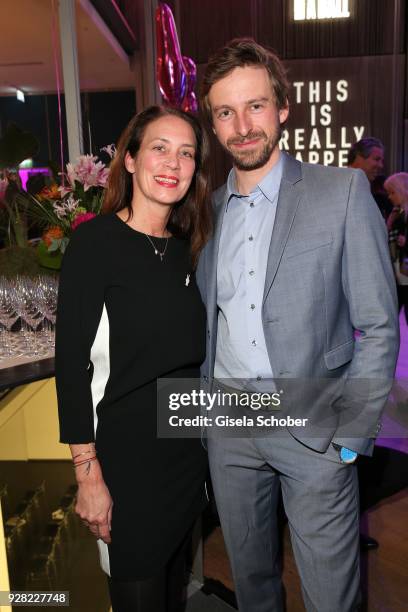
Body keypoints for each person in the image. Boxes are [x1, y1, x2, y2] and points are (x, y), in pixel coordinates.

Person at [197, 39, 399, 612]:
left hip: (315, 427)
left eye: (255, 106)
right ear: (213, 124)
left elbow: (379, 325)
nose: (242, 126)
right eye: (225, 112)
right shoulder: (207, 214)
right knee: (254, 588)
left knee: (332, 597)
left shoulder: (342, 192)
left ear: (283, 107)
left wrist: (352, 437)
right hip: (230, 428)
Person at [55, 105, 212, 612]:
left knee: (172, 596)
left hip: (187, 458)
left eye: (186, 153)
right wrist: (88, 475)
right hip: (126, 465)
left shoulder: (192, 246)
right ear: (130, 159)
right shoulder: (95, 241)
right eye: (160, 148)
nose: (173, 163)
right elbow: (71, 365)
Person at [347, 137, 392, 219]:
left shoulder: (379, 195)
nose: (381, 165)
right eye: (377, 159)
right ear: (359, 159)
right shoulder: (336, 188)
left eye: (382, 161)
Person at [385, 172, 408, 323]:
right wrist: (389, 222)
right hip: (398, 273)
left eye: (392, 192)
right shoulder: (396, 214)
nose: (389, 197)